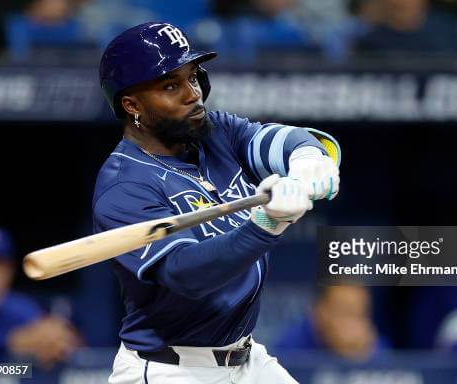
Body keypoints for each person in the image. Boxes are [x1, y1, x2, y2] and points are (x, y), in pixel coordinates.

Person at [95, 22, 340, 383]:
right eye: (170, 86)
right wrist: (265, 226)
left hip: (247, 359)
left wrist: (307, 161)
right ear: (132, 105)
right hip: (171, 369)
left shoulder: (214, 131)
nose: (192, 94)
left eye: (192, 77)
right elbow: (187, 274)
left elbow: (284, 139)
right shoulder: (124, 185)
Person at [0, 224, 81, 367]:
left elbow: (68, 343)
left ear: (10, 273)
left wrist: (57, 339)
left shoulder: (18, 309)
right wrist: (8, 343)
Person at [275, 285, 386, 360]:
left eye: (359, 313)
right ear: (319, 309)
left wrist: (360, 356)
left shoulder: (373, 345)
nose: (350, 323)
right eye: (344, 311)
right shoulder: (291, 345)